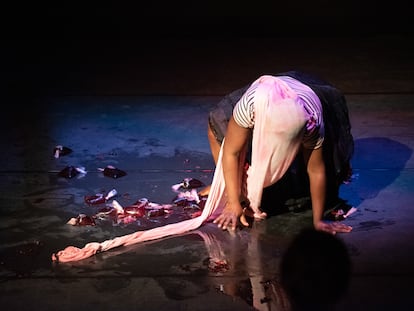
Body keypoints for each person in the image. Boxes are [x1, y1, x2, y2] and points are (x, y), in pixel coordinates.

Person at [204, 70, 354, 234]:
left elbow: (316, 170)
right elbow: (231, 152)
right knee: (217, 126)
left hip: (305, 96)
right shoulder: (249, 106)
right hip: (267, 100)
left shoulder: (312, 123)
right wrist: (233, 201)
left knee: (314, 172)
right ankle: (229, 184)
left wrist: (318, 221)